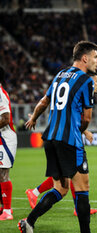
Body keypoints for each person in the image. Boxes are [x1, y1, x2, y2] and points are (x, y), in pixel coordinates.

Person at [19, 41, 97, 233]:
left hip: (50, 138)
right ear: (85, 58)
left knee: (61, 188)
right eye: (96, 57)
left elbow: (43, 101)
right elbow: (87, 118)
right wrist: (80, 130)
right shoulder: (87, 81)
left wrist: (34, 119)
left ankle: (29, 222)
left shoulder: (59, 75)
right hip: (69, 141)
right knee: (82, 188)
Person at [25, 73, 97, 217]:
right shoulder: (82, 90)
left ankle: (35, 195)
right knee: (71, 176)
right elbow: (75, 118)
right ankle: (77, 209)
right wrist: (85, 132)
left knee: (67, 177)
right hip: (65, 139)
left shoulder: (77, 89)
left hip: (60, 137)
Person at [0, 66, 17, 221]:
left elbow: (5, 118)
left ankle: (7, 211)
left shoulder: (0, 94)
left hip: (5, 139)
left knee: (3, 173)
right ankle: (3, 207)